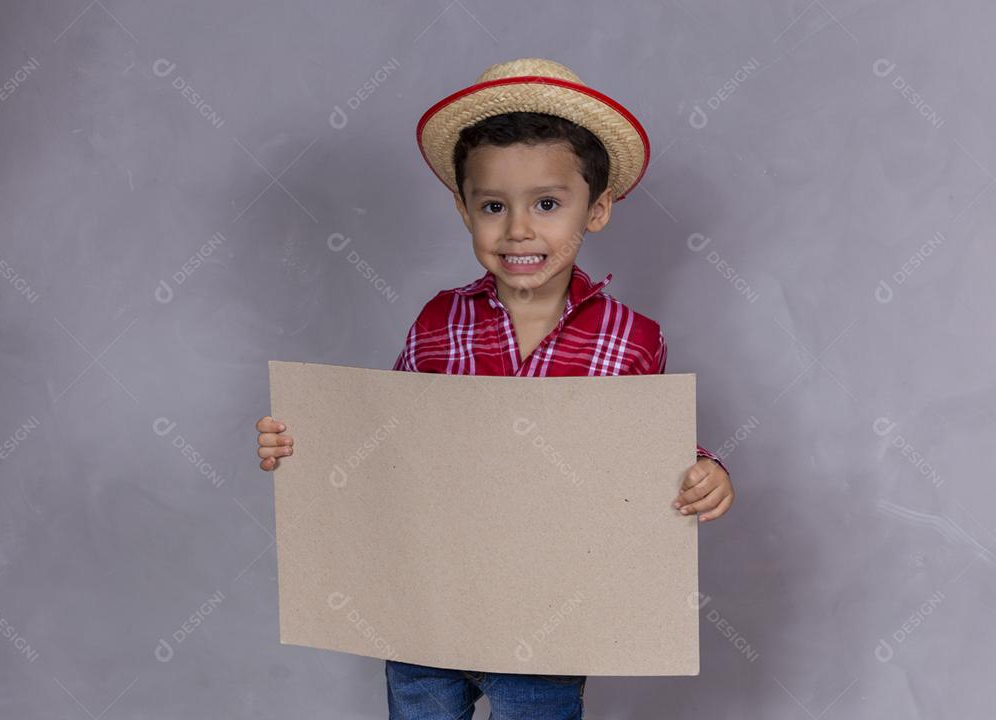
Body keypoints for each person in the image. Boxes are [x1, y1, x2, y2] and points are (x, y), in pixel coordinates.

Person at [255, 57, 736, 720]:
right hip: (428, 607)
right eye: (492, 205)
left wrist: (706, 470)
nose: (517, 229)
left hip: (549, 619)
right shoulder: (438, 320)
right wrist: (303, 445)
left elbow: (649, 455)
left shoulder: (631, 339)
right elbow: (386, 443)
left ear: (595, 211)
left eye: (546, 203)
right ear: (462, 209)